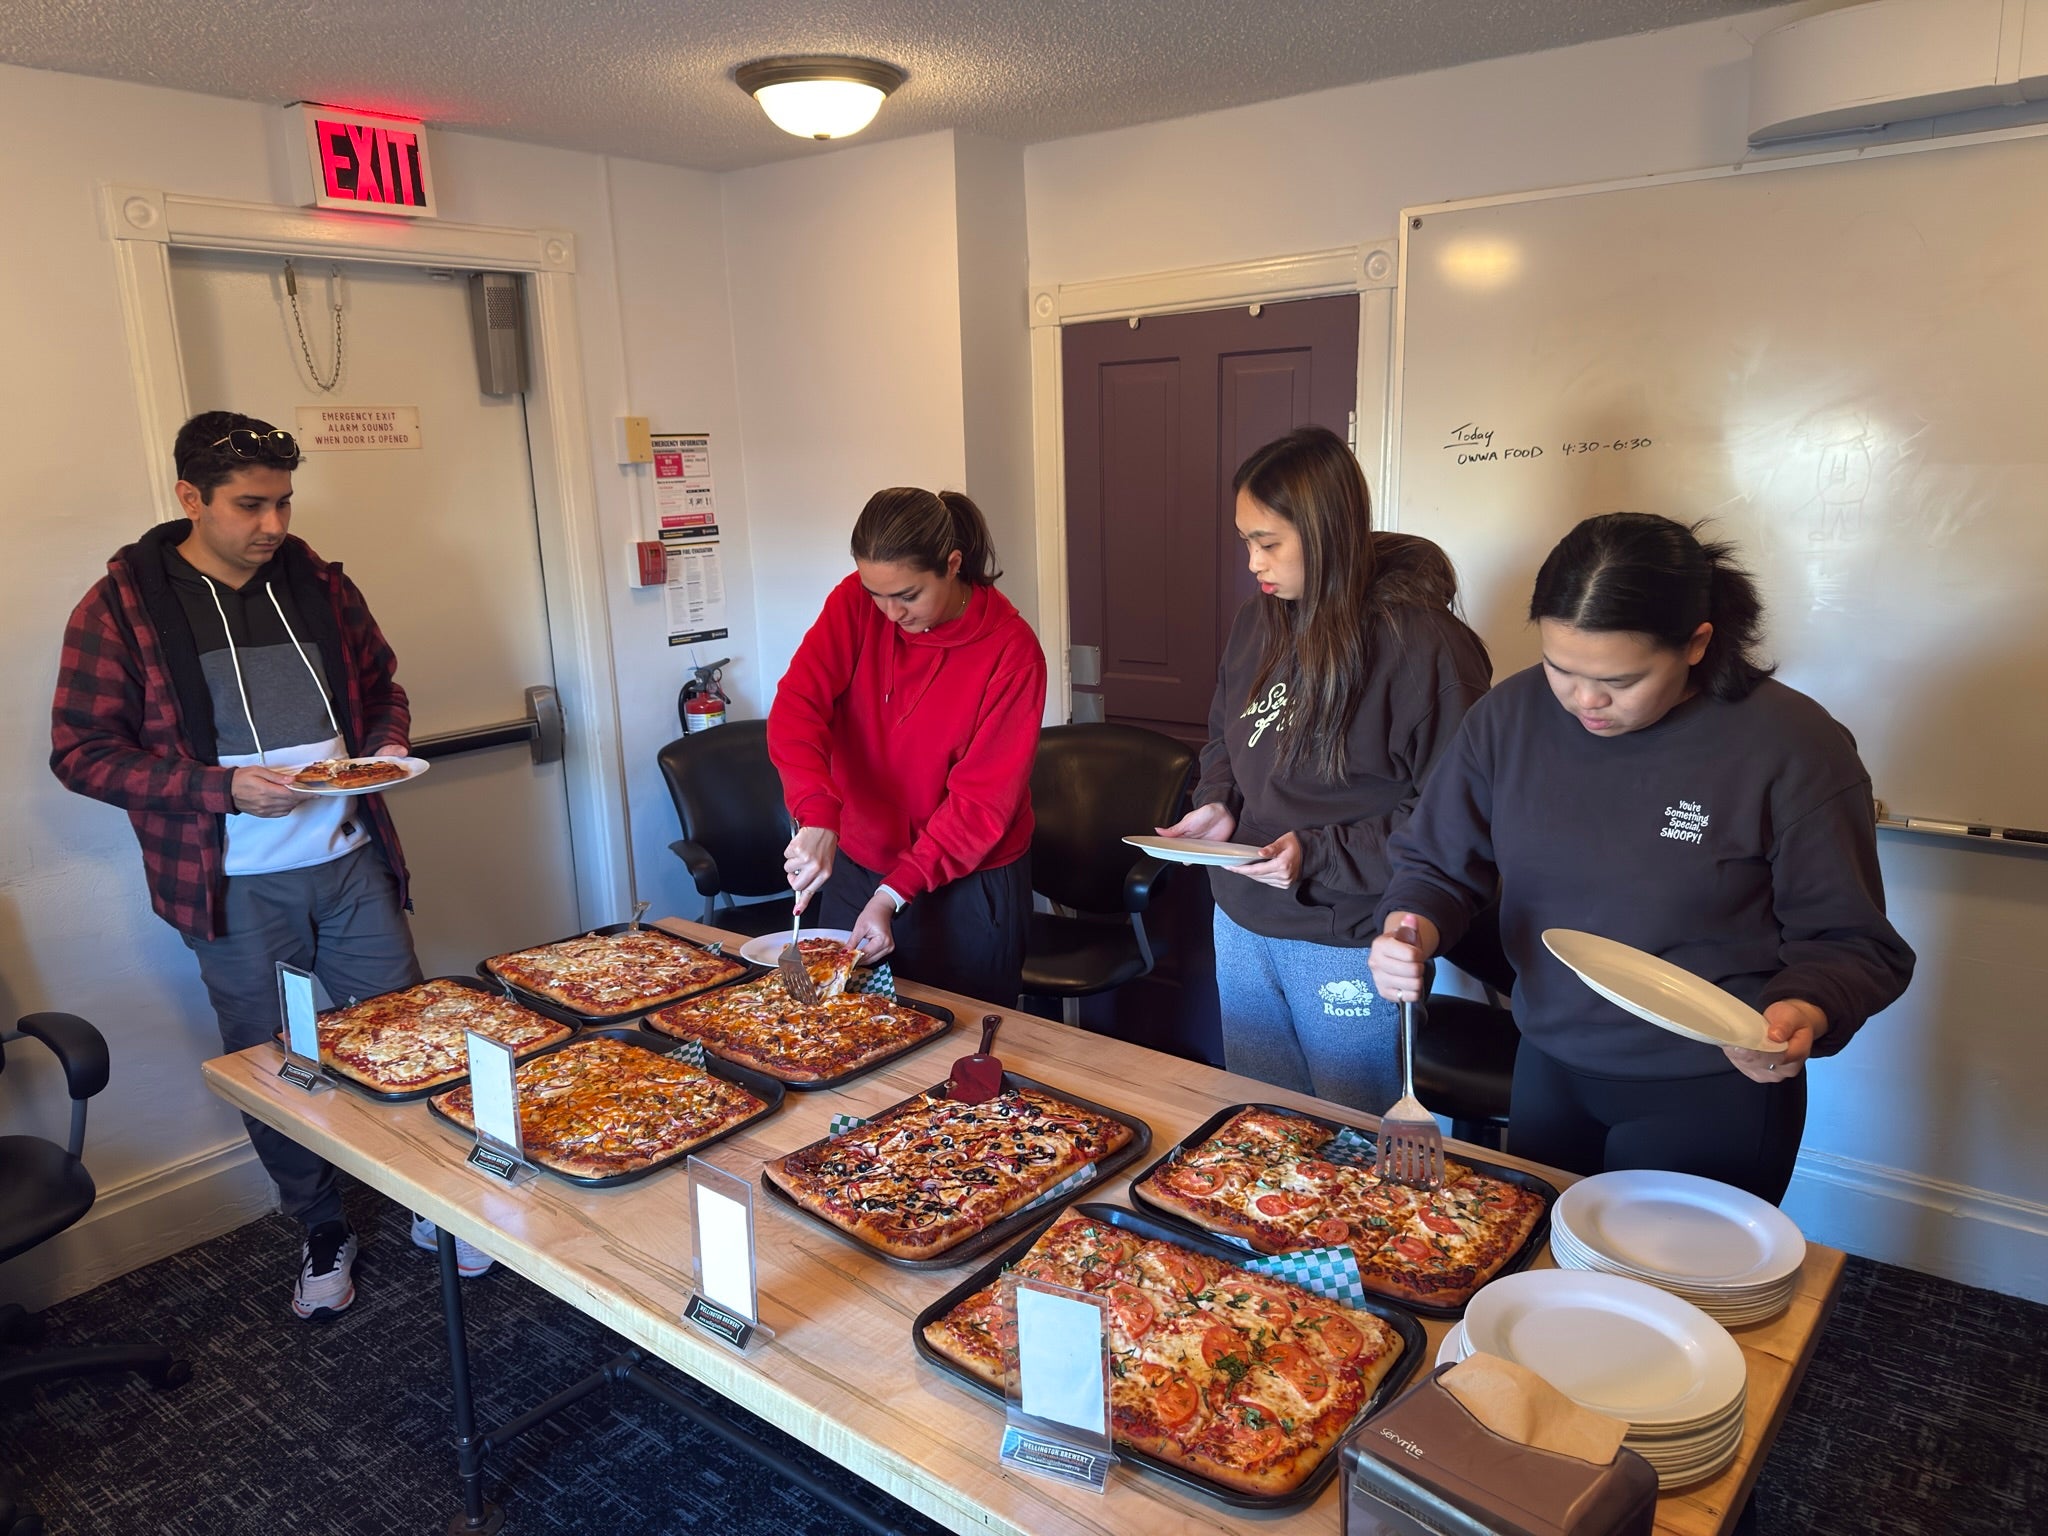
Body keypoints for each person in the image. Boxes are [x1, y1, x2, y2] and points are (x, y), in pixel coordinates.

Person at [50, 409, 490, 1320]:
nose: (274, 526)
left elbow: (382, 688)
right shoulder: (124, 605)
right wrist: (221, 789)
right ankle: (321, 1224)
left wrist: (385, 747)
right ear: (189, 498)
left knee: (416, 1037)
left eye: (284, 502)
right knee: (275, 1065)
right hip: (233, 890)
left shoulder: (320, 585)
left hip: (350, 858)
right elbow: (82, 753)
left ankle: (436, 1200)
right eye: (250, 506)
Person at [1368, 512, 1915, 1203]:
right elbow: (1436, 864)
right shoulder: (1510, 718)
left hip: (1713, 1087)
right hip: (1546, 1063)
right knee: (1546, 1281)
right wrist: (1410, 925)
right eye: (1560, 668)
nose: (1585, 700)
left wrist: (1805, 1008)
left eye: (1621, 681)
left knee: (1670, 1301)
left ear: (1696, 643)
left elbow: (1854, 943)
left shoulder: (1793, 746)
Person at [1154, 426, 1492, 1109]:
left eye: (1268, 542)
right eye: (1247, 539)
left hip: (1347, 933)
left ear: (1328, 530)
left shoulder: (1426, 648)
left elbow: (1452, 819)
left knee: (1352, 1139)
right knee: (1265, 1127)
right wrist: (1218, 801)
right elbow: (1225, 733)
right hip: (1242, 918)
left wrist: (1315, 852)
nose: (1252, 561)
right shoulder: (1260, 621)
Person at [768, 487, 1046, 1003]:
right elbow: (796, 710)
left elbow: (980, 805)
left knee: (960, 1050)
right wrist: (818, 812)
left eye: (908, 595)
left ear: (952, 564)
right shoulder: (854, 604)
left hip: (967, 882)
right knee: (832, 1029)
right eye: (876, 593)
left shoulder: (1012, 652)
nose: (890, 613)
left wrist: (894, 892)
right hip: (858, 862)